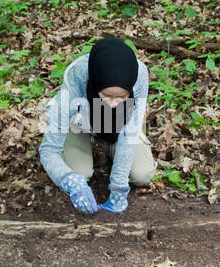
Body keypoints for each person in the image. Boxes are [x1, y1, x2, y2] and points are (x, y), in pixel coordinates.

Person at [40, 37, 156, 214]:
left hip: (120, 125)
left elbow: (129, 134)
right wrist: (67, 179)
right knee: (80, 172)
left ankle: (109, 147)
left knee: (142, 174)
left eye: (122, 97)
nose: (113, 104)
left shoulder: (139, 75)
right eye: (107, 95)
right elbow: (49, 149)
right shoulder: (77, 76)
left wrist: (118, 188)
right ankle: (91, 146)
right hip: (81, 123)